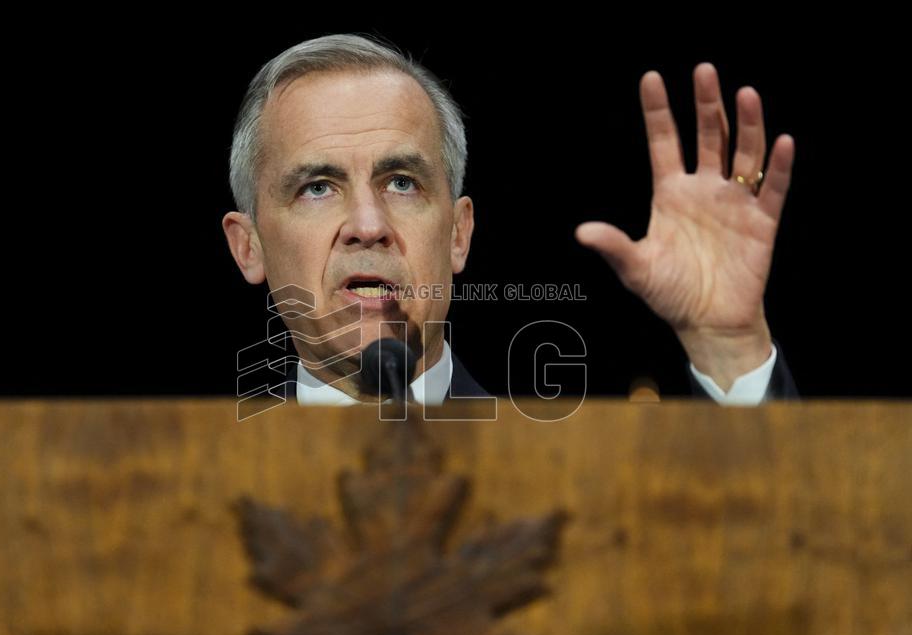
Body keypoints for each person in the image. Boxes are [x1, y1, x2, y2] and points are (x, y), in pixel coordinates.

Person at [222, 34, 798, 407]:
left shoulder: (577, 474)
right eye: (318, 188)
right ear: (248, 247)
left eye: (402, 182)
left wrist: (731, 350)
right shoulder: (178, 497)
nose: (368, 224)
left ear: (458, 233)